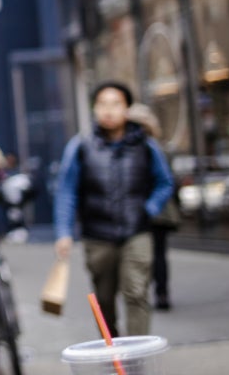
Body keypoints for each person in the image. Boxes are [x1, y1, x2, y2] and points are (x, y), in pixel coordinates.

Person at [54, 82, 174, 337]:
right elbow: (66, 190)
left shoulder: (146, 145)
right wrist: (64, 232)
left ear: (127, 109)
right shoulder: (81, 146)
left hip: (137, 232)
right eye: (102, 104)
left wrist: (149, 209)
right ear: (95, 109)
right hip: (97, 236)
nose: (108, 111)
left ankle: (135, 361)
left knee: (137, 292)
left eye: (115, 104)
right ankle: (114, 355)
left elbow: (165, 182)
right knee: (104, 301)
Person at [125, 102, 178, 312]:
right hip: (159, 211)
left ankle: (150, 292)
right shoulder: (158, 145)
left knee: (146, 255)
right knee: (158, 254)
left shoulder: (146, 147)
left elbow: (165, 181)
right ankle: (161, 292)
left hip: (148, 210)